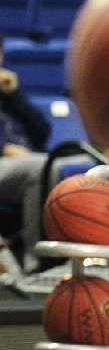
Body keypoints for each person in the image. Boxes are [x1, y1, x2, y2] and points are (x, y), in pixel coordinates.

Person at [0, 33, 52, 272]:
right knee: (41, 167)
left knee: (89, 163)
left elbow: (42, 131)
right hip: (8, 163)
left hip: (27, 163)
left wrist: (14, 96)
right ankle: (35, 260)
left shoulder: (8, 91)